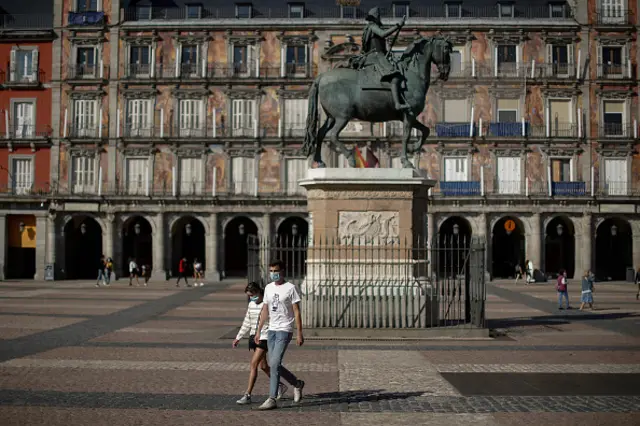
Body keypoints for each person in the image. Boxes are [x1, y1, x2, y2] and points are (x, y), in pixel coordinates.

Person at [255, 260, 305, 410]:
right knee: (274, 364)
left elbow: (296, 311)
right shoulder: (268, 288)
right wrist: (259, 330)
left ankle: (272, 398)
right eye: (271, 271)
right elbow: (265, 310)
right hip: (272, 330)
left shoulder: (290, 288)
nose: (273, 274)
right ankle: (297, 383)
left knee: (275, 363)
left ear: (282, 271)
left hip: (285, 329)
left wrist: (299, 333)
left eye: (276, 271)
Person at [233, 282, 288, 405]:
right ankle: (281, 386)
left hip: (265, 337)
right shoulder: (251, 304)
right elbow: (247, 321)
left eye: (253, 295)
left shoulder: (267, 304)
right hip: (254, 338)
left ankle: (247, 395)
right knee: (263, 366)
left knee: (253, 364)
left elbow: (275, 319)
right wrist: (238, 337)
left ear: (259, 292)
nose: (252, 298)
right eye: (249, 296)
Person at [353, 7, 409, 112]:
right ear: (376, 17)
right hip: (376, 57)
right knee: (395, 76)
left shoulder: (369, 28)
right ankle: (397, 104)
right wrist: (397, 25)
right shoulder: (372, 26)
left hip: (376, 55)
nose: (380, 18)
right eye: (379, 16)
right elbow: (383, 34)